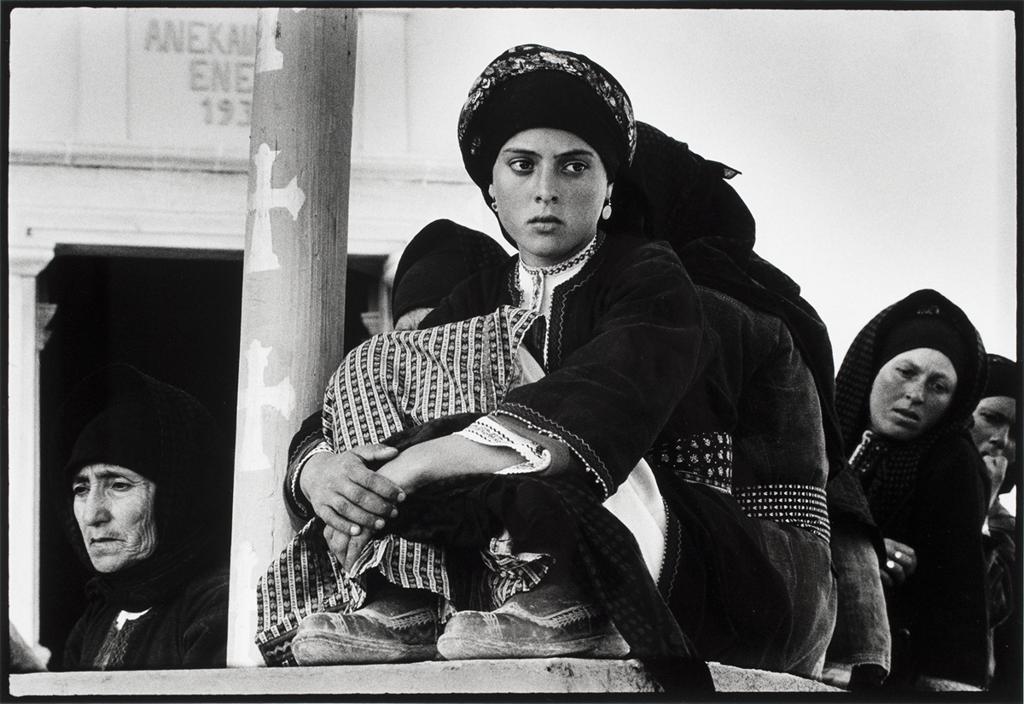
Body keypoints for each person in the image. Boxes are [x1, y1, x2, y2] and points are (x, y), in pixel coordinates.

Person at [261, 43, 825, 684]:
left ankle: (566, 595)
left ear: (608, 187)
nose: (546, 191)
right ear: (492, 189)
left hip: (648, 531)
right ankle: (403, 595)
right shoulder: (473, 296)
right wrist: (324, 473)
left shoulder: (648, 278)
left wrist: (418, 464)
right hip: (488, 536)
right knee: (384, 359)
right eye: (522, 167)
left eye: (574, 167)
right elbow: (359, 396)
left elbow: (610, 393)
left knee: (540, 409)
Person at [833, 289, 990, 690]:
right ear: (874, 367)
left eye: (939, 387)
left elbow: (958, 601)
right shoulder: (817, 430)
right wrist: (860, 554)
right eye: (905, 372)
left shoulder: (951, 462)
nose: (916, 395)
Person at [53, 364, 233, 670]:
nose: (93, 514)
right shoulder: (99, 614)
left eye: (119, 485)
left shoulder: (218, 608)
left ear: (176, 497)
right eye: (81, 489)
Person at [970, 353, 1018, 689]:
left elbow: (982, 611)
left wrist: (982, 503)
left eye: (1016, 431)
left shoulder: (1011, 537)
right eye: (991, 417)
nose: (1002, 439)